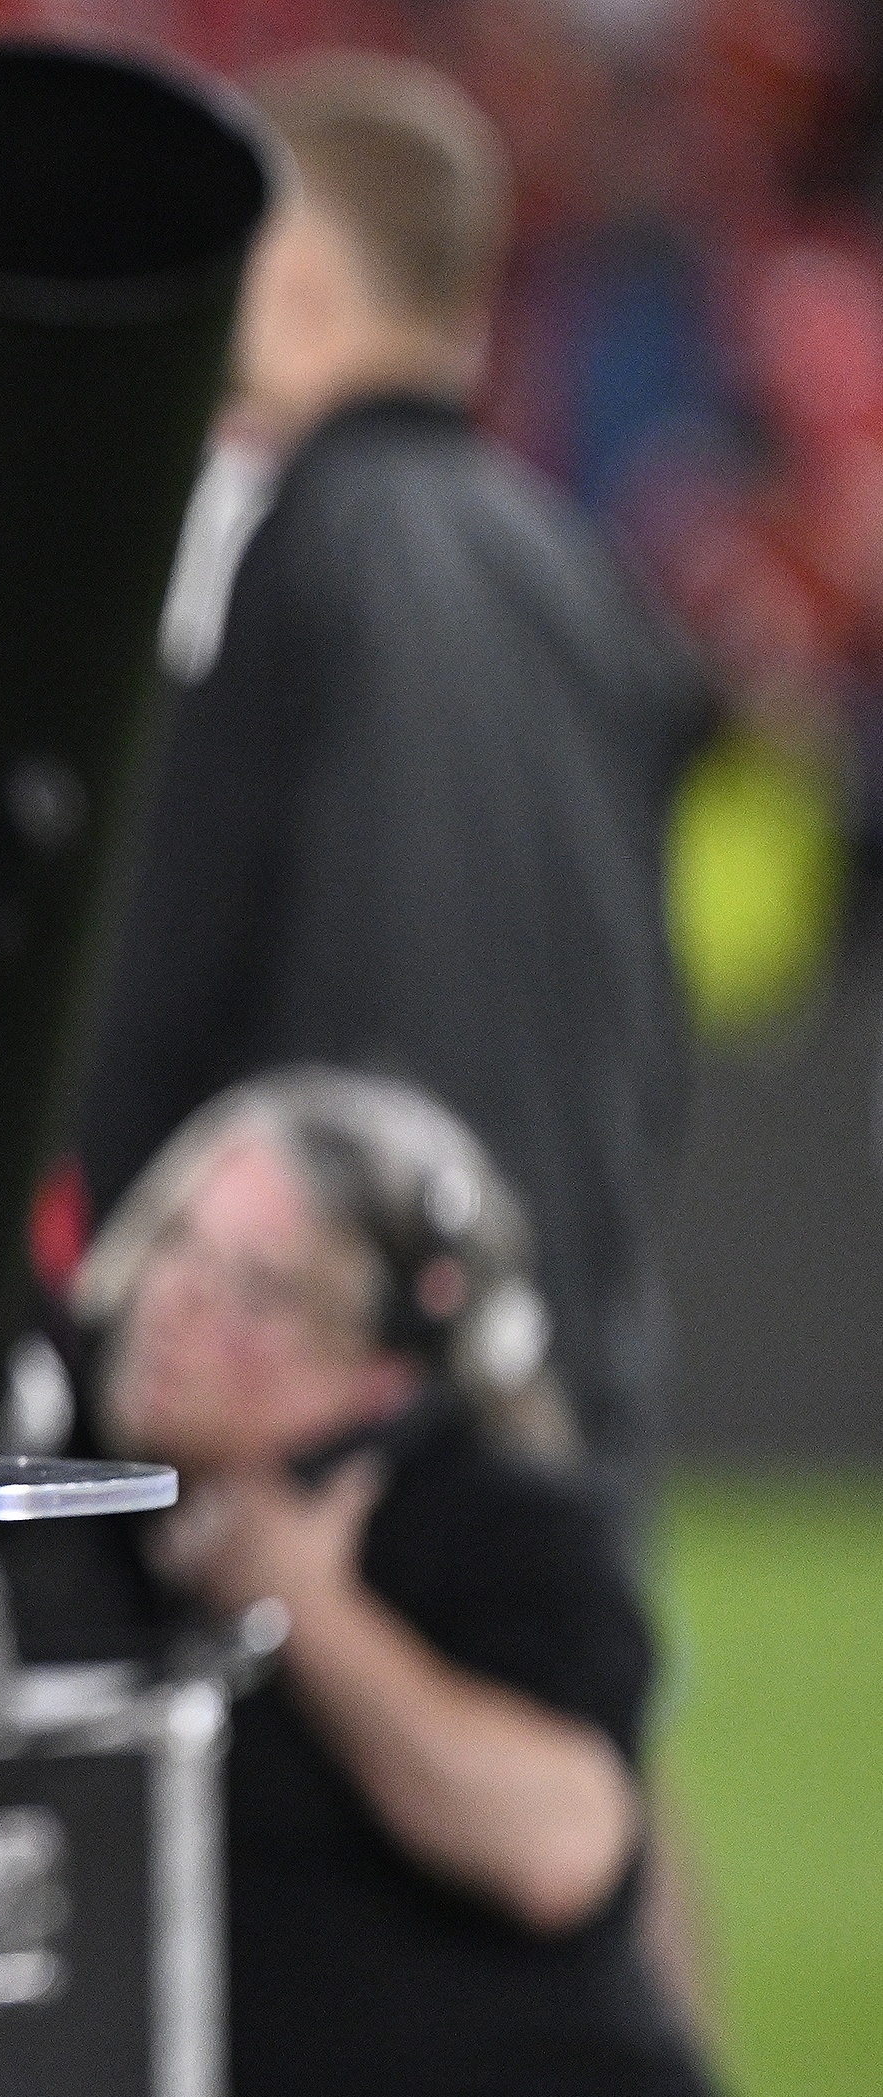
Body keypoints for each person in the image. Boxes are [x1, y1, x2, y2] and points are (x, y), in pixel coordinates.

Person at [77, 55, 707, 1523]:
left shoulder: (283, 545)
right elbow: (642, 1008)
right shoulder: (576, 566)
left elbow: (172, 972)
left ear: (291, 276)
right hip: (561, 1353)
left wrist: (121, 1283)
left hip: (337, 1391)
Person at [78, 1068, 759, 2097]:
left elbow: (559, 1845)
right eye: (173, 1242)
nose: (176, 1303)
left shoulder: (490, 1525)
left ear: (385, 1368)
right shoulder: (66, 1508)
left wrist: (301, 1606)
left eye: (256, 1289)